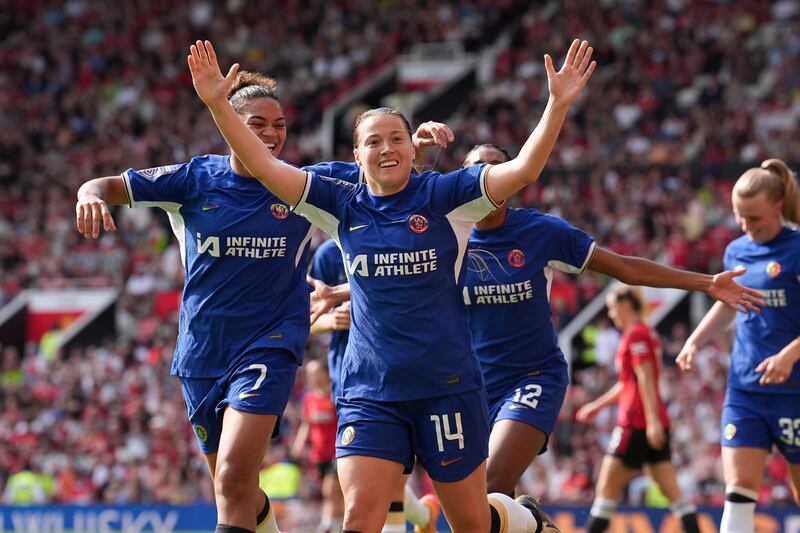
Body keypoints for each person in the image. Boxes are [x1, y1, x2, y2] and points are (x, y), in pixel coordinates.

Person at [189, 37, 596, 533]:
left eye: (396, 138)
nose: (386, 148)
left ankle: (526, 519)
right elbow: (265, 166)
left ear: (411, 146)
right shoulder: (340, 203)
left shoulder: (447, 195)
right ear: (356, 156)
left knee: (471, 522)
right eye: (373, 141)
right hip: (371, 391)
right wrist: (218, 104)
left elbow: (524, 169)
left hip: (445, 386)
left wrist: (556, 104)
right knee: (359, 517)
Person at [75, 66, 453, 533]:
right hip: (201, 352)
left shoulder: (305, 186)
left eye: (279, 125)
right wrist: (88, 194)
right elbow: (107, 185)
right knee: (236, 490)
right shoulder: (194, 180)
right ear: (230, 124)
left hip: (269, 346)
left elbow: (381, 170)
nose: (272, 134)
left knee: (232, 478)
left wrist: (412, 144)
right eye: (258, 124)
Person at [458, 144, 765, 500]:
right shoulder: (447, 236)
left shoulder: (539, 231)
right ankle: (532, 522)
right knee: (483, 506)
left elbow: (624, 267)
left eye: (497, 166)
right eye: (478, 167)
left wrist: (707, 283)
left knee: (490, 484)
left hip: (532, 377)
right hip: (473, 385)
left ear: (512, 176)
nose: (488, 174)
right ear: (463, 178)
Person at [676, 159, 800, 533]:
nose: (746, 225)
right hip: (746, 389)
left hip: (793, 391)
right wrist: (695, 341)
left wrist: (789, 355)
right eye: (739, 216)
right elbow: (729, 302)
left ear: (777, 206)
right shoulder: (736, 252)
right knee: (739, 490)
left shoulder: (796, 248)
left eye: (754, 218)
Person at [310, 239, 440, 533]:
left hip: (397, 372)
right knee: (377, 477)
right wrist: (332, 320)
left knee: (388, 475)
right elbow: (305, 317)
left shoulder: (395, 239)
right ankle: (423, 515)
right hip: (349, 382)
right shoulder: (327, 255)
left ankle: (423, 515)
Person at [576, 287, 699, 533]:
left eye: (613, 308)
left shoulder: (636, 334)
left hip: (635, 423)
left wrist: (651, 421)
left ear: (626, 305)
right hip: (653, 422)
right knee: (673, 493)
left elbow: (646, 378)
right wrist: (598, 406)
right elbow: (629, 382)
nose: (611, 315)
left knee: (605, 491)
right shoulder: (644, 332)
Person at [291, 359, 344, 533]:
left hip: (336, 452)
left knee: (330, 491)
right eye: (309, 374)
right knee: (332, 496)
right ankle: (341, 525)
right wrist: (299, 443)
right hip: (318, 454)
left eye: (315, 373)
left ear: (325, 373)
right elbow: (307, 423)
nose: (312, 377)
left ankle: (326, 527)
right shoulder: (308, 398)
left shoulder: (335, 395)